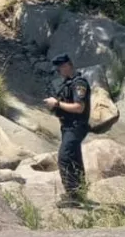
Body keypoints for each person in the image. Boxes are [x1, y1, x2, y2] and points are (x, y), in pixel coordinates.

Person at [44, 53, 92, 207]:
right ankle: (79, 193)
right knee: (74, 159)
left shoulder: (79, 84)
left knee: (65, 158)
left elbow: (79, 107)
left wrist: (57, 104)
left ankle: (72, 196)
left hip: (76, 126)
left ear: (67, 66)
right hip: (68, 126)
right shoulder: (68, 83)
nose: (58, 71)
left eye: (60, 68)